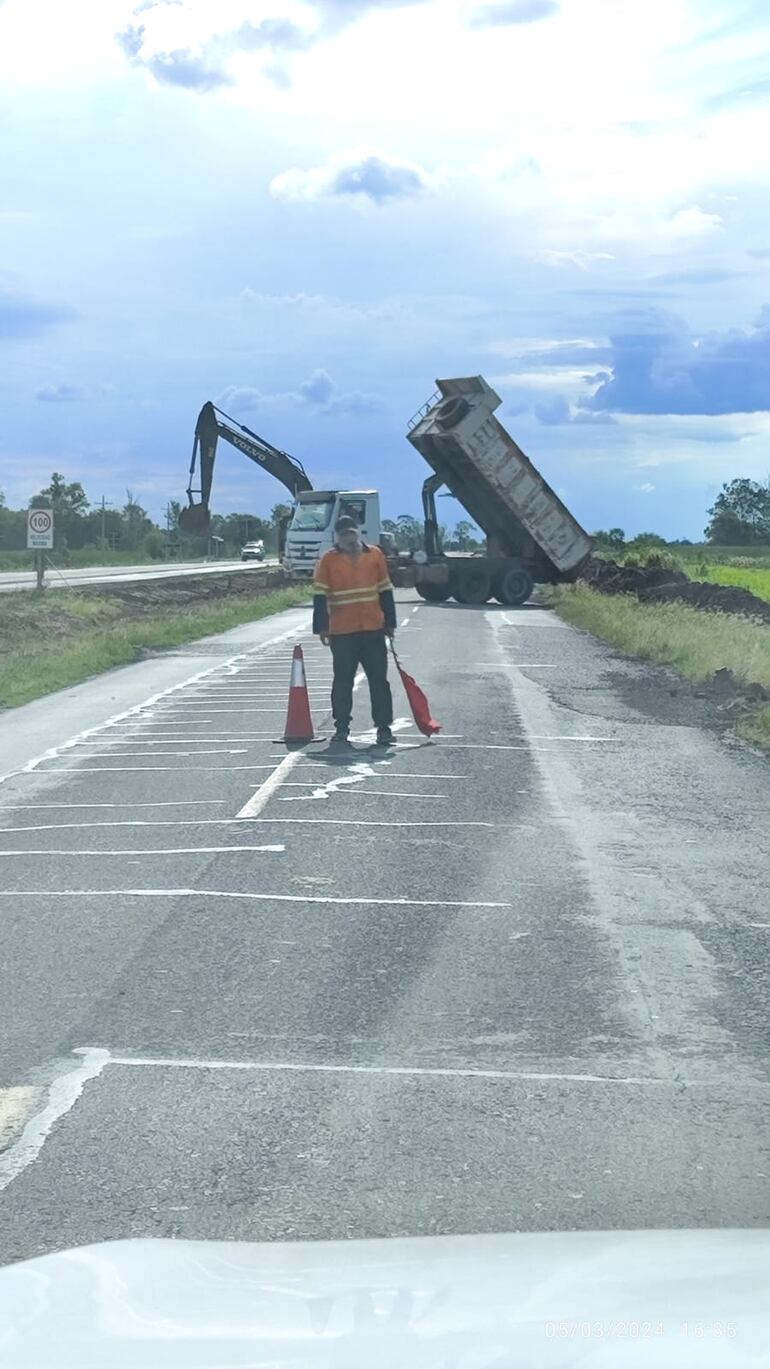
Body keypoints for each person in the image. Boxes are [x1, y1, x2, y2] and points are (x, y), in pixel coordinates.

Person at [313, 515, 396, 748]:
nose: (349, 540)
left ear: (358, 533)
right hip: (342, 631)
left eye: (352, 534)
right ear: (337, 538)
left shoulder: (375, 555)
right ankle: (341, 728)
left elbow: (385, 589)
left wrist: (390, 623)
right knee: (342, 682)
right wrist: (322, 627)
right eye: (344, 536)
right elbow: (319, 594)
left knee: (379, 681)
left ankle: (384, 728)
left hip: (373, 629)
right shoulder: (329, 560)